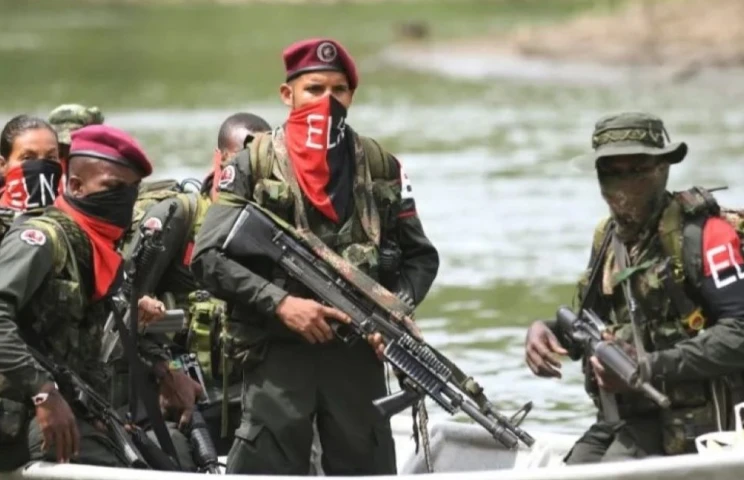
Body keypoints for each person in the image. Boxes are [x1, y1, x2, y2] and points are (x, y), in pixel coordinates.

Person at [191, 38, 440, 475]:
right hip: (276, 352)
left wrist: (394, 312)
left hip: (358, 355)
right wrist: (281, 304)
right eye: (314, 89)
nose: (327, 101)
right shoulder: (253, 164)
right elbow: (208, 257)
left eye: (338, 90)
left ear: (352, 96)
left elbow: (420, 258)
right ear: (288, 95)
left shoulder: (380, 165)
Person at [525, 112, 744, 463]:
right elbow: (592, 325)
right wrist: (547, 333)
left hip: (704, 419)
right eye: (611, 172)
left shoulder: (705, 235)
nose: (623, 184)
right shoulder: (608, 239)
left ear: (663, 168)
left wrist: (649, 367)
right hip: (629, 414)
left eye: (637, 170)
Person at [0, 125, 199, 470]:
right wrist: (43, 392)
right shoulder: (43, 239)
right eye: (111, 188)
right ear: (75, 185)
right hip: (20, 418)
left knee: (173, 455)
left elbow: (103, 333)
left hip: (73, 408)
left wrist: (164, 369)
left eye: (131, 190)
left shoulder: (95, 247)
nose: (123, 199)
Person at [120, 112, 271, 456]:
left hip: (250, 395)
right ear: (219, 160)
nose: (250, 174)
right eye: (240, 162)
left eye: (261, 164)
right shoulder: (178, 217)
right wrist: (165, 371)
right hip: (181, 396)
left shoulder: (272, 221)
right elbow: (122, 310)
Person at [0, 115, 64, 237]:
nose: (41, 166)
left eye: (51, 157)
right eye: (28, 158)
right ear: (3, 165)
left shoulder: (72, 220)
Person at [47, 104, 104, 192]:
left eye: (67, 145)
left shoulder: (102, 167)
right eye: (59, 144)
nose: (61, 150)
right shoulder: (48, 168)